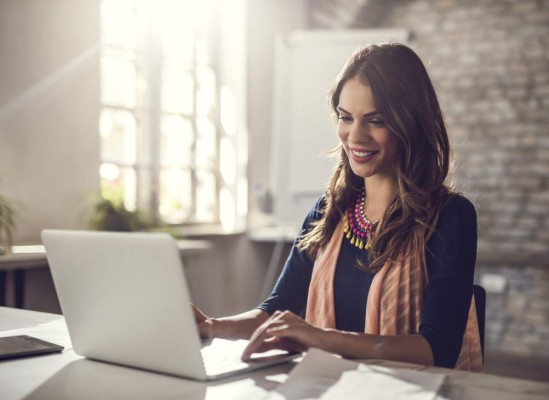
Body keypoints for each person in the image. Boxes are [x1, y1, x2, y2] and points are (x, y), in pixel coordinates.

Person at [193, 43, 483, 371]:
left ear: (410, 123)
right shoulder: (328, 211)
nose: (355, 136)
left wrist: (322, 337)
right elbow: (276, 310)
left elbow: (437, 350)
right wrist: (213, 327)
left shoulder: (451, 216)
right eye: (346, 118)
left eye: (375, 121)